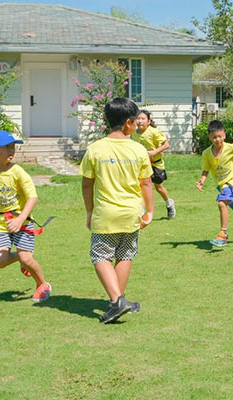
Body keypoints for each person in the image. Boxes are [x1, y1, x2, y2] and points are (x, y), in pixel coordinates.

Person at [79, 97, 155, 324]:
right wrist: (149, 211)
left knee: (100, 255)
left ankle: (117, 301)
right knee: (125, 254)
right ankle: (117, 302)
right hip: (132, 213)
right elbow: (146, 183)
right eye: (136, 122)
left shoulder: (94, 149)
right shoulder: (138, 149)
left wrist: (90, 211)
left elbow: (86, 184)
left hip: (106, 213)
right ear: (128, 124)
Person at [0, 130, 51, 302]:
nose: (11, 150)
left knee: (27, 257)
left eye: (13, 147)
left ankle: (43, 285)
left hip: (23, 221)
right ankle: (21, 258)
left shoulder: (18, 171)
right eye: (6, 147)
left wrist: (20, 219)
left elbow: (32, 197)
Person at [132, 109, 176, 219]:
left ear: (148, 121)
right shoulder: (133, 133)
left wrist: (154, 152)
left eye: (143, 119)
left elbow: (166, 145)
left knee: (159, 187)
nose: (140, 121)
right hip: (142, 165)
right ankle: (141, 211)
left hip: (156, 164)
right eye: (138, 118)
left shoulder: (154, 132)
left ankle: (169, 203)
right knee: (141, 187)